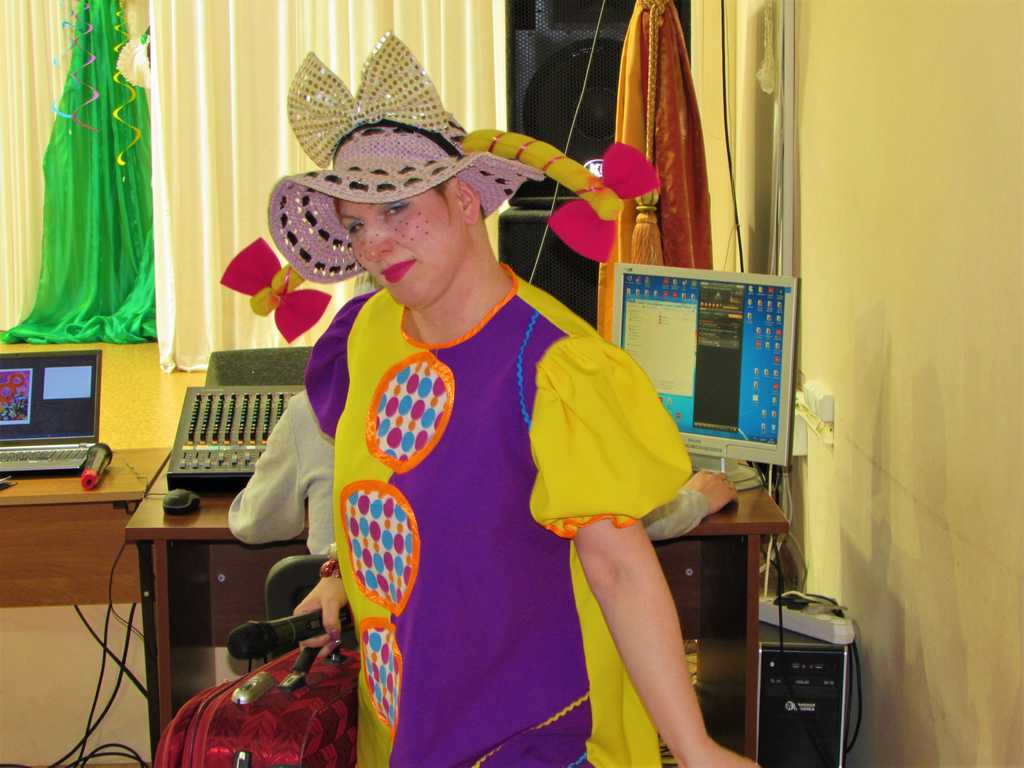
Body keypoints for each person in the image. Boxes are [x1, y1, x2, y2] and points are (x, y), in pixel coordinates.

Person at [266, 33, 755, 768]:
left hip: (530, 736)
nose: (374, 244)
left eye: (397, 207)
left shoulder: (552, 368)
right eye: (356, 222)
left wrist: (695, 749)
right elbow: (396, 490)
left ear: (464, 200)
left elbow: (619, 568)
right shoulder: (366, 332)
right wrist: (341, 572)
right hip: (404, 727)